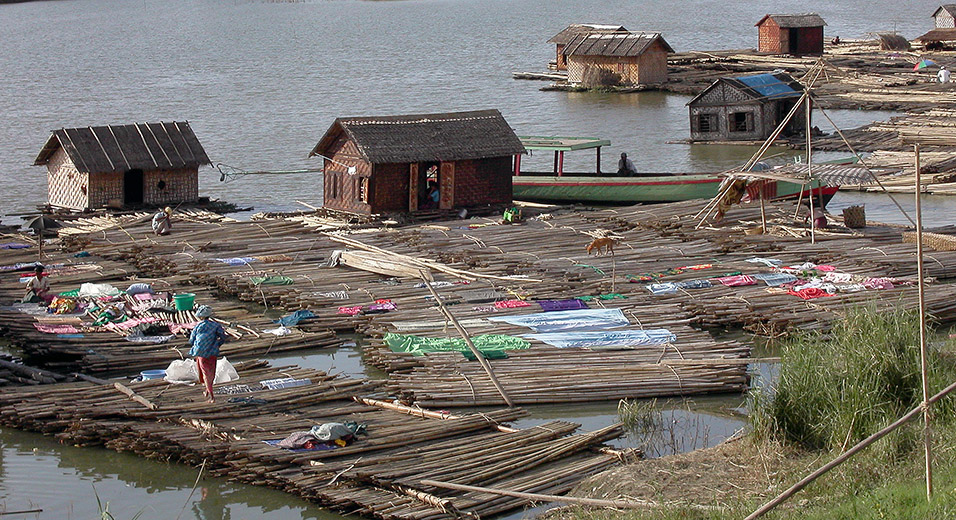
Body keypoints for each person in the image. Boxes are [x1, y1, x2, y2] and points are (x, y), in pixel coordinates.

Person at [188, 305, 227, 403]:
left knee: (205, 373)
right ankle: (208, 391)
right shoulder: (216, 325)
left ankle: (211, 396)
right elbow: (223, 336)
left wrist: (197, 345)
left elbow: (191, 340)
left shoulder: (198, 326)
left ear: (200, 317)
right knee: (211, 372)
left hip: (201, 352)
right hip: (212, 352)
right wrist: (217, 344)